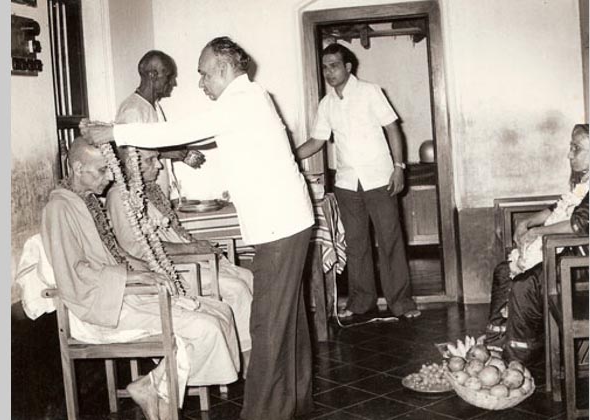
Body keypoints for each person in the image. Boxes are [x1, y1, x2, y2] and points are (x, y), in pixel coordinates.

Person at [80, 37, 315, 420]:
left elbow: (185, 131)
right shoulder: (250, 99)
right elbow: (199, 136)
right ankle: (295, 402)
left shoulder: (242, 100)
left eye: (204, 74)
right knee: (289, 319)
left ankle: (264, 414)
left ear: (223, 68)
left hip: (280, 227)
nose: (201, 83)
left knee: (269, 322)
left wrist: (115, 133)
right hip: (288, 222)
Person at [41, 137, 241, 420]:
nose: (110, 177)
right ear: (77, 168)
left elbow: (115, 254)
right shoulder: (59, 208)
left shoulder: (86, 201)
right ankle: (154, 387)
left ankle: (155, 387)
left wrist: (150, 271)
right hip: (100, 307)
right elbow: (75, 273)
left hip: (120, 293)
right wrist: (133, 278)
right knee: (205, 327)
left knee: (219, 311)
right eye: (102, 170)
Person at [295, 43, 421, 320]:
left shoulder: (369, 91)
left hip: (380, 179)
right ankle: (362, 301)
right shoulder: (326, 104)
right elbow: (317, 141)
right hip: (347, 183)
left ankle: (401, 303)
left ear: (348, 67)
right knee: (356, 244)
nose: (329, 72)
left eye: (334, 66)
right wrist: (288, 155)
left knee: (390, 241)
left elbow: (393, 128)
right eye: (325, 67)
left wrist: (399, 167)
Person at [106, 145, 253, 371]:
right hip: (169, 270)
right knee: (237, 288)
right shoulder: (119, 196)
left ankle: (248, 356)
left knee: (247, 277)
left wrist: (194, 247)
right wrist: (191, 249)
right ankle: (247, 362)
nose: (158, 165)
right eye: (150, 160)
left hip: (186, 261)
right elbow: (136, 249)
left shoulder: (148, 190)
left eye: (156, 158)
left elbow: (170, 233)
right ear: (130, 165)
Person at [485, 123, 590, 364]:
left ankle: (518, 358)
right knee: (503, 272)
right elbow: (559, 208)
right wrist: (528, 222)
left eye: (576, 148)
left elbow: (579, 224)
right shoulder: (584, 183)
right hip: (563, 253)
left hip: (579, 265)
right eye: (571, 147)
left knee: (525, 284)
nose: (569, 154)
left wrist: (538, 232)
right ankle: (496, 345)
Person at [116, 50, 206, 198]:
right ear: (153, 75)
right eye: (169, 76)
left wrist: (178, 153)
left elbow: (150, 145)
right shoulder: (132, 109)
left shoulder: (154, 106)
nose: (173, 83)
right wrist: (168, 153)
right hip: (144, 196)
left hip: (161, 193)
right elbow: (127, 155)